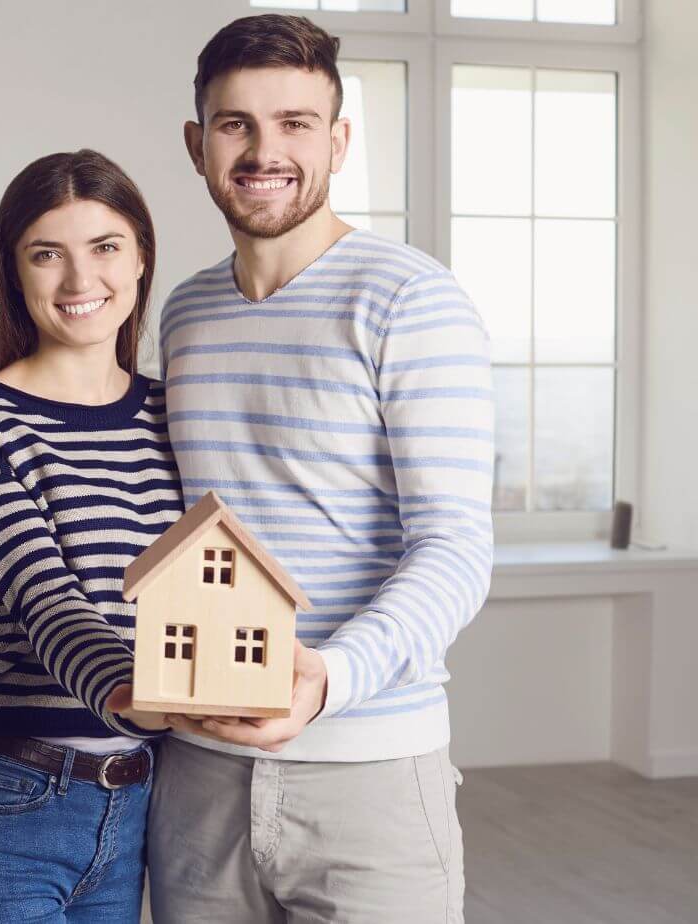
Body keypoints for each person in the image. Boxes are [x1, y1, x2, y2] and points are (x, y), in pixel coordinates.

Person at [146, 14, 494, 924]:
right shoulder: (182, 314)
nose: (266, 150)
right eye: (236, 124)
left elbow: (456, 547)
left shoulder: (411, 298)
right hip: (198, 783)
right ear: (198, 144)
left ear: (338, 141)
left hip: (370, 776)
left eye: (297, 122)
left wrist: (331, 677)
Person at [0, 148, 177, 924]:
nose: (79, 280)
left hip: (136, 801)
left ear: (141, 258)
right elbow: (45, 600)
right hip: (2, 801)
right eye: (47, 254)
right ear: (14, 272)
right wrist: (139, 697)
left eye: (105, 247)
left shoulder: (176, 414)